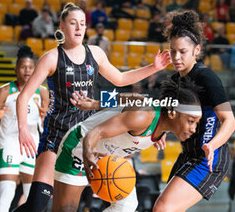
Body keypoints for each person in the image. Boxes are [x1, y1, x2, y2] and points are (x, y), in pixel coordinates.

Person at [14, 2, 170, 212]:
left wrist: (154, 67)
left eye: (82, 24)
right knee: (36, 205)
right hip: (58, 132)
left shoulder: (95, 53)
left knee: (114, 199)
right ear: (61, 26)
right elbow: (23, 97)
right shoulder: (51, 58)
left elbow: (121, 79)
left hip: (88, 132)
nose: (79, 28)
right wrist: (23, 129)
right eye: (73, 23)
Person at [52, 78, 202, 212]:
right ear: (172, 114)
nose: (194, 129)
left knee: (126, 206)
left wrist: (96, 103)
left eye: (196, 122)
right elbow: (95, 133)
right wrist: (88, 153)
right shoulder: (143, 115)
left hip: (107, 157)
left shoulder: (164, 125)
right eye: (190, 121)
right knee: (66, 209)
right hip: (80, 147)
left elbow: (132, 97)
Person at [153, 10, 235, 212]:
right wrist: (159, 132)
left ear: (196, 50)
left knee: (162, 208)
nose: (176, 57)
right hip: (188, 154)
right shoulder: (173, 82)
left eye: (182, 51)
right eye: (172, 51)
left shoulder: (206, 77)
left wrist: (212, 145)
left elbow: (230, 122)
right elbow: (165, 119)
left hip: (210, 158)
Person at [0, 46, 49, 212]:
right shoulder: (4, 91)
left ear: (35, 69)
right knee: (6, 192)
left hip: (31, 147)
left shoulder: (42, 92)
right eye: (23, 67)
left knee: (31, 196)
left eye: (30, 67)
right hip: (9, 145)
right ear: (15, 69)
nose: (27, 70)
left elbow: (46, 125)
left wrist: (44, 118)